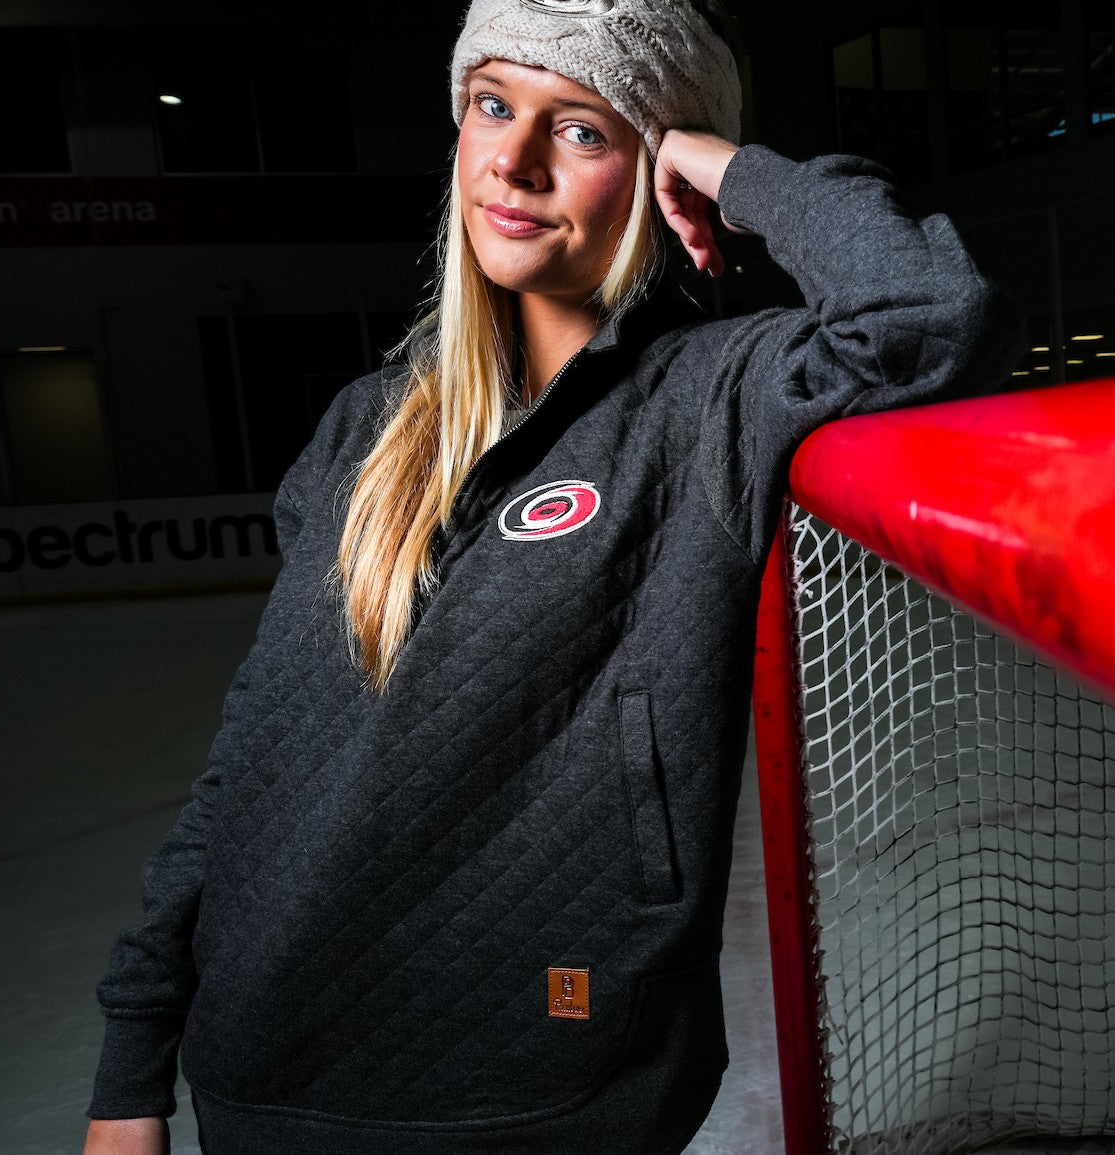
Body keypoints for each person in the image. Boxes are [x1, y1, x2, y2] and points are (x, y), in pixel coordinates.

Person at [82, 2, 1024, 1152]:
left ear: (653, 174)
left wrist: (721, 164)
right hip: (262, 1068)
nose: (515, 163)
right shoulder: (368, 431)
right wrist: (133, 1066)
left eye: (582, 130)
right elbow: (249, 765)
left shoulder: (709, 400)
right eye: (492, 106)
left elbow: (926, 312)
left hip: (539, 1083)